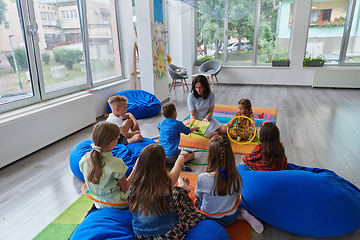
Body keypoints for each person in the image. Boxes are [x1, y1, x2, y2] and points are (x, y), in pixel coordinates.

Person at [129, 144, 205, 240]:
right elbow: (179, 165)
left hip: (140, 234)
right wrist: (182, 154)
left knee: (173, 192)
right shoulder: (166, 182)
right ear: (162, 163)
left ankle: (181, 184)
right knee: (179, 193)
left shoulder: (134, 183)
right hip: (165, 234)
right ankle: (182, 185)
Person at [195, 135, 264, 234]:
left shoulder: (202, 178)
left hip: (207, 217)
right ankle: (243, 213)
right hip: (230, 218)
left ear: (209, 156)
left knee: (199, 201)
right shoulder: (236, 175)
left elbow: (198, 196)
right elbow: (237, 198)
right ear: (231, 155)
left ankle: (241, 213)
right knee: (238, 204)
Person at [79, 121, 137, 210]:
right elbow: (125, 188)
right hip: (118, 203)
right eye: (117, 138)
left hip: (98, 201)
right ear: (112, 143)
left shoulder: (84, 159)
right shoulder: (116, 163)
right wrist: (135, 169)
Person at [158, 103, 200, 172]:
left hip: (161, 155)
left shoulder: (161, 122)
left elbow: (159, 130)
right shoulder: (177, 124)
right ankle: (178, 163)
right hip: (172, 156)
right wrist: (195, 128)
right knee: (191, 154)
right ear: (174, 113)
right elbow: (187, 131)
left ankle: (164, 164)